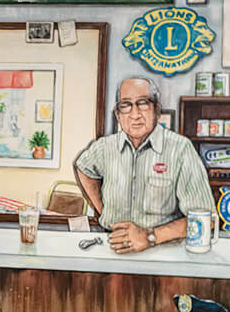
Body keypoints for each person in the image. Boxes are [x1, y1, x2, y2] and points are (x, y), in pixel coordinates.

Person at [75, 75, 215, 254]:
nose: (135, 115)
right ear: (118, 115)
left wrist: (150, 236)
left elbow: (206, 218)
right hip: (111, 248)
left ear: (156, 110)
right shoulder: (104, 147)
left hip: (164, 254)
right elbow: (83, 168)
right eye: (126, 105)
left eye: (143, 103)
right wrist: (104, 211)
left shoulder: (180, 149)